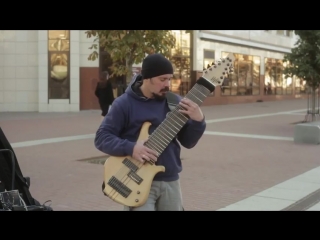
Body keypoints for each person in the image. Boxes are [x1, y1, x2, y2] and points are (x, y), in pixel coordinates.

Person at [94, 53, 206, 211]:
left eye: (169, 79)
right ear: (147, 77)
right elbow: (101, 137)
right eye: (162, 79)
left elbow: (188, 142)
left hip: (170, 181)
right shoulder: (124, 104)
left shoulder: (174, 102)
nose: (167, 84)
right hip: (136, 180)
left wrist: (198, 121)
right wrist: (132, 148)